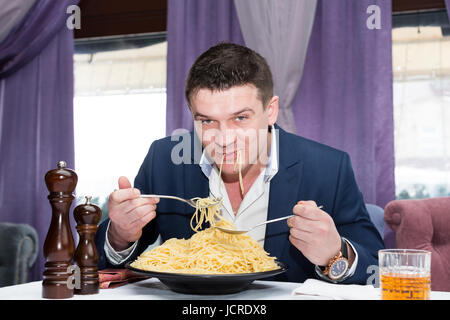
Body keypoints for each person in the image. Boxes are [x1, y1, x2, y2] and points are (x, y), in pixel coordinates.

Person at [95, 42, 384, 284]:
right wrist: (120, 234)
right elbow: (104, 262)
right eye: (207, 121)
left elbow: (377, 271)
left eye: (240, 118)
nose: (223, 139)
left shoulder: (328, 168)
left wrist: (334, 253)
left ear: (270, 111)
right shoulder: (164, 160)